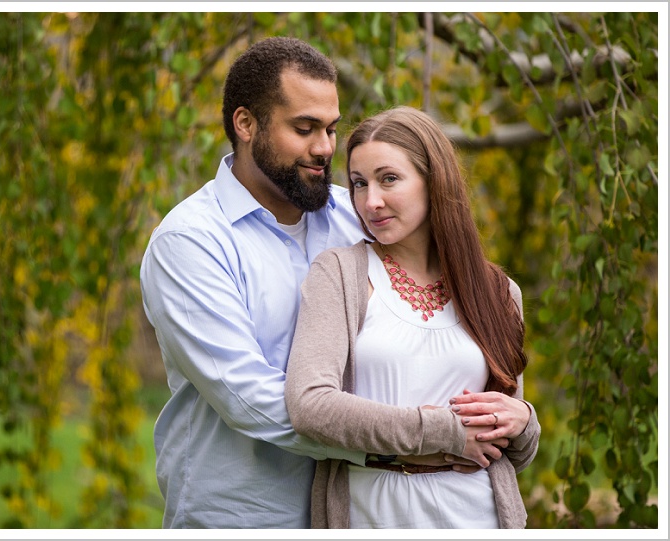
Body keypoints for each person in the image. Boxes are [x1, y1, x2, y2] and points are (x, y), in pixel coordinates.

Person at [140, 37, 374, 529]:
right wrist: (402, 441)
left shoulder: (358, 221)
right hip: (241, 518)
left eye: (331, 128)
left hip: (359, 513)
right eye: (304, 128)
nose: (325, 148)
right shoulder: (190, 241)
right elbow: (248, 398)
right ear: (245, 124)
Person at [285, 106, 541, 529]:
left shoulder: (497, 291)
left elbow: (512, 450)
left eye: (389, 179)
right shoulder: (341, 274)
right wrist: (444, 431)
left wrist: (523, 420)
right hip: (373, 512)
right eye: (358, 184)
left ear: (433, 180)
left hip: (479, 515)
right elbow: (310, 405)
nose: (371, 201)